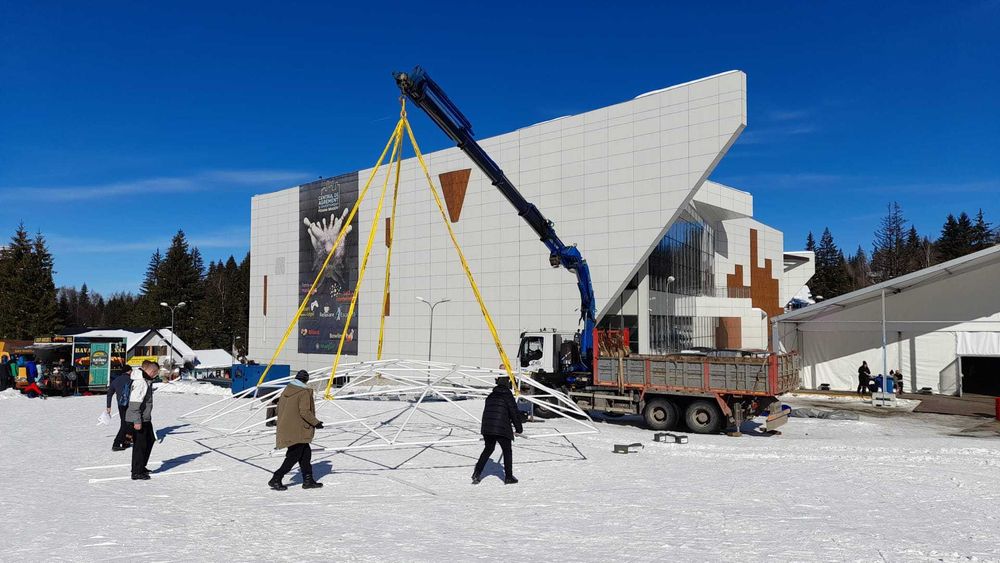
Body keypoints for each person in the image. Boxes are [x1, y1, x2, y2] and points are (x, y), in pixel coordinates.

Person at [269, 370, 324, 491]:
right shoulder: (303, 392)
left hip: (287, 427)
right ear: (306, 380)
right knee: (293, 456)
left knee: (305, 455)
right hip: (298, 429)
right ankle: (276, 478)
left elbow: (278, 409)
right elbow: (304, 411)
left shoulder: (287, 390)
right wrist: (316, 423)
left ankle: (308, 480)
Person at [472, 377, 523, 485]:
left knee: (488, 449)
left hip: (488, 428)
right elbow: (514, 413)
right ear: (507, 385)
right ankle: (508, 477)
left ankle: (477, 473)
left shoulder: (490, 396)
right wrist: (519, 429)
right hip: (502, 428)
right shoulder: (508, 396)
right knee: (507, 451)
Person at [125, 361, 159, 481]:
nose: (156, 376)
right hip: (139, 419)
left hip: (145, 418)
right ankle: (136, 472)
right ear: (151, 371)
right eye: (156, 373)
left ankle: (141, 466)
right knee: (140, 446)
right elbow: (135, 404)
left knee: (150, 440)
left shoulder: (145, 381)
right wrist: (137, 421)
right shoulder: (141, 383)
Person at [106, 367, 134, 451]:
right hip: (130, 404)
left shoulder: (116, 380)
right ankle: (117, 443)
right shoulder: (131, 379)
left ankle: (126, 441)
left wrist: (108, 406)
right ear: (129, 371)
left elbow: (109, 393)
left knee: (126, 423)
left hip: (121, 404)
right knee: (126, 424)